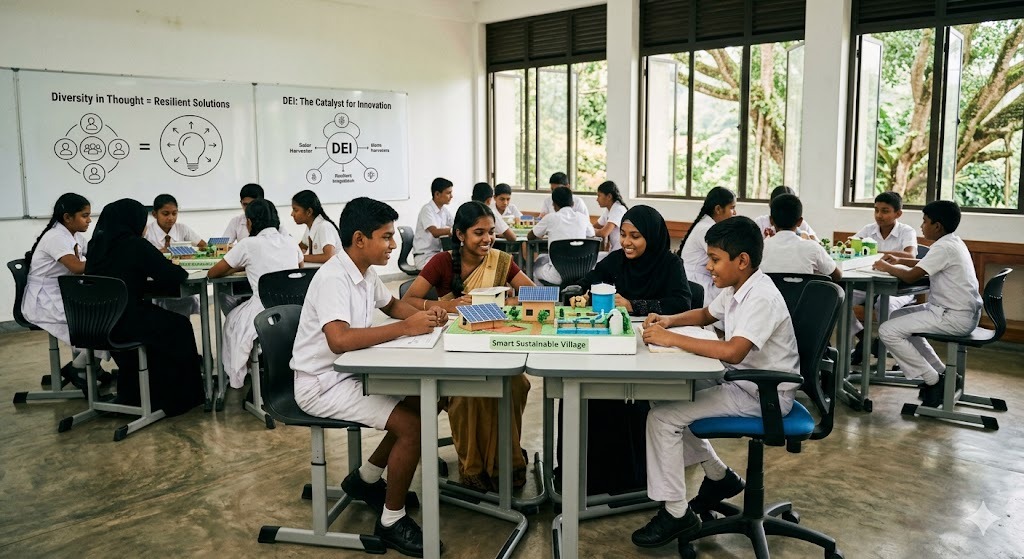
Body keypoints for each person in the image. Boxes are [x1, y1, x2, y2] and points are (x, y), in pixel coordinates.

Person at [290, 197, 448, 557]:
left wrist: (430, 317)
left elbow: (392, 306)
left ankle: (367, 479)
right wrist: (406, 329)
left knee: (426, 399)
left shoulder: (363, 272)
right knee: (413, 427)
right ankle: (391, 521)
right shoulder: (334, 277)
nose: (393, 244)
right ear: (359, 239)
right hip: (321, 384)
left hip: (347, 373)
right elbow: (339, 339)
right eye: (386, 237)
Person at [634, 216, 798, 548]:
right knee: (663, 395)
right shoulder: (740, 287)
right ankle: (719, 475)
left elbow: (734, 352)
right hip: (743, 382)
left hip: (762, 393)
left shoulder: (761, 297)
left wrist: (671, 339)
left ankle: (676, 513)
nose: (708, 266)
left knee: (662, 419)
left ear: (742, 260)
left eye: (714, 259)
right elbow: (707, 314)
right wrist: (669, 320)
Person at [402, 200, 534, 491]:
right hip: (455, 350)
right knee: (466, 394)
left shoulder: (501, 260)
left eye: (491, 231)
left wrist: (504, 301)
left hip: (494, 345)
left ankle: (507, 460)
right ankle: (472, 466)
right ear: (460, 234)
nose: (488, 239)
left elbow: (533, 293)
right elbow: (408, 300)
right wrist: (449, 306)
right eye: (479, 232)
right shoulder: (442, 262)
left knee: (516, 385)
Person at [568, 205, 692, 495]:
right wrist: (579, 294)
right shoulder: (615, 260)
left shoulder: (670, 264)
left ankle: (630, 479)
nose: (626, 242)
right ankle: (585, 478)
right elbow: (587, 282)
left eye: (635, 236)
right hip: (615, 348)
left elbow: (682, 303)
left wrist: (634, 305)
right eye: (623, 234)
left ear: (652, 236)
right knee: (586, 392)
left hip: (651, 352)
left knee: (627, 401)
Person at [84, 198, 204, 416]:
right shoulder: (135, 245)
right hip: (125, 322)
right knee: (179, 325)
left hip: (94, 322)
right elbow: (174, 275)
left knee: (158, 320)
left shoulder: (95, 246)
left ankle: (135, 393)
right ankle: (178, 398)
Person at [875, 200, 982, 408]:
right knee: (896, 317)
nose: (921, 226)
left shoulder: (944, 247)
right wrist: (901, 261)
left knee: (887, 331)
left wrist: (885, 266)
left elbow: (911, 277)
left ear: (937, 226)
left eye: (924, 221)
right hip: (954, 312)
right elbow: (926, 264)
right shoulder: (952, 242)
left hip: (952, 316)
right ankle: (942, 373)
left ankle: (933, 380)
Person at [208, 199, 303, 390]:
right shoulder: (290, 242)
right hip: (295, 311)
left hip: (263, 310)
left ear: (250, 222)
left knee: (232, 320)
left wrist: (239, 266)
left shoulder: (248, 245)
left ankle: (238, 379)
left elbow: (213, 273)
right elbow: (299, 267)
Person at [21, 193, 97, 386]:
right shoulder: (56, 237)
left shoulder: (75, 236)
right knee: (95, 324)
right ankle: (80, 368)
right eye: (85, 215)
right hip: (44, 300)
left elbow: (91, 255)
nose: (89, 220)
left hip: (62, 293)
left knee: (100, 318)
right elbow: (77, 267)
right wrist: (107, 261)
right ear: (67, 217)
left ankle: (85, 367)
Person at [849, 191, 919, 364]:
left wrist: (874, 252)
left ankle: (884, 345)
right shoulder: (869, 229)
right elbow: (853, 245)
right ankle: (865, 338)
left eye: (885, 211)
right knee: (839, 299)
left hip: (898, 286)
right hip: (868, 284)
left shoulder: (906, 231)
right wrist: (852, 245)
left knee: (884, 304)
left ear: (898, 213)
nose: (879, 215)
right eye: (876, 210)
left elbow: (910, 255)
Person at [144, 193, 205, 316]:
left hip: (180, 279)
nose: (171, 218)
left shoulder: (182, 228)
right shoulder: (147, 232)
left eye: (174, 213)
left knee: (184, 311)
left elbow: (204, 246)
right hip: (156, 283)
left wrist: (190, 252)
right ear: (155, 214)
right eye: (165, 214)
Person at [759, 194, 841, 281]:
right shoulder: (813, 247)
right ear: (800, 222)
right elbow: (837, 276)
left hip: (770, 290)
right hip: (806, 290)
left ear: (771, 220)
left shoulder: (760, 249)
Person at [678, 186, 736, 305]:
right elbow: (726, 257)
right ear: (718, 209)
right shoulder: (706, 229)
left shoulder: (707, 225)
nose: (735, 213)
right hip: (696, 284)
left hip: (700, 281)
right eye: (732, 208)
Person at [528, 186, 595, 285]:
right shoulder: (582, 218)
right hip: (582, 272)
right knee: (543, 258)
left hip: (557, 276)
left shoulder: (550, 218)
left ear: (554, 205)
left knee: (535, 268)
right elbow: (592, 235)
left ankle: (543, 295)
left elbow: (530, 236)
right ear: (572, 203)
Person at [412, 177, 454, 269]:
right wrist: (452, 230)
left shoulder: (444, 211)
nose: (451, 196)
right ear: (437, 194)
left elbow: (455, 224)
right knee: (451, 267)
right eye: (448, 193)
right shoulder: (427, 210)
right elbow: (435, 232)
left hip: (436, 254)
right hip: (424, 257)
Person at [290, 189, 341, 264]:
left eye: (296, 210)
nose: (292, 214)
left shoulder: (324, 226)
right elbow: (299, 248)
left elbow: (329, 256)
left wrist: (301, 257)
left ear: (309, 212)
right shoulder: (310, 227)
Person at [753, 186, 817, 240]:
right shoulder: (760, 223)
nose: (785, 211)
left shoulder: (802, 225)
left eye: (789, 207)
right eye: (779, 206)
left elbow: (815, 241)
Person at [593, 180, 628, 259]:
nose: (597, 199)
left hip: (621, 254)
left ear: (609, 196)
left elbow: (604, 233)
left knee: (593, 261)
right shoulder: (608, 210)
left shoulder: (618, 209)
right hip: (614, 252)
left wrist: (589, 230)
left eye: (599, 196)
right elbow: (596, 226)